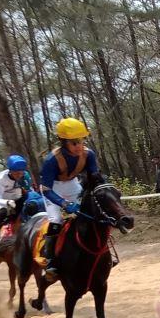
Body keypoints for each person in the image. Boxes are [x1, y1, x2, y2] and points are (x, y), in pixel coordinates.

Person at [40, 118, 100, 281]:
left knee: (91, 214)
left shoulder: (89, 154)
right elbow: (46, 190)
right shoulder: (51, 160)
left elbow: (94, 176)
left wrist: (102, 185)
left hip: (73, 185)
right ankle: (51, 262)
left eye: (81, 141)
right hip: (53, 189)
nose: (79, 146)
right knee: (56, 220)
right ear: (64, 142)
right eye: (74, 143)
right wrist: (64, 204)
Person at [0, 154, 32, 247]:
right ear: (10, 171)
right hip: (4, 200)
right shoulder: (0, 179)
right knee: (3, 212)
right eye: (16, 173)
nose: (19, 176)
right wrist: (7, 202)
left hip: (18, 197)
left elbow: (28, 190)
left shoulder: (25, 176)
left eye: (21, 173)